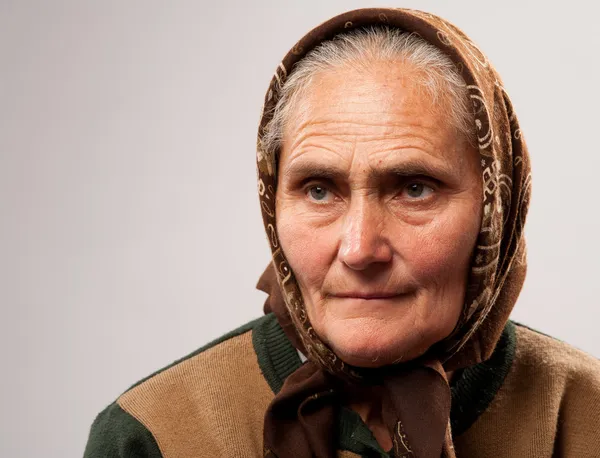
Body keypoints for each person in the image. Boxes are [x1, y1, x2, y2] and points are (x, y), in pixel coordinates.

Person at [83, 8, 600, 458]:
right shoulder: (150, 436)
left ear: (496, 209)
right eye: (318, 190)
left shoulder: (583, 416)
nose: (359, 250)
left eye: (414, 188)